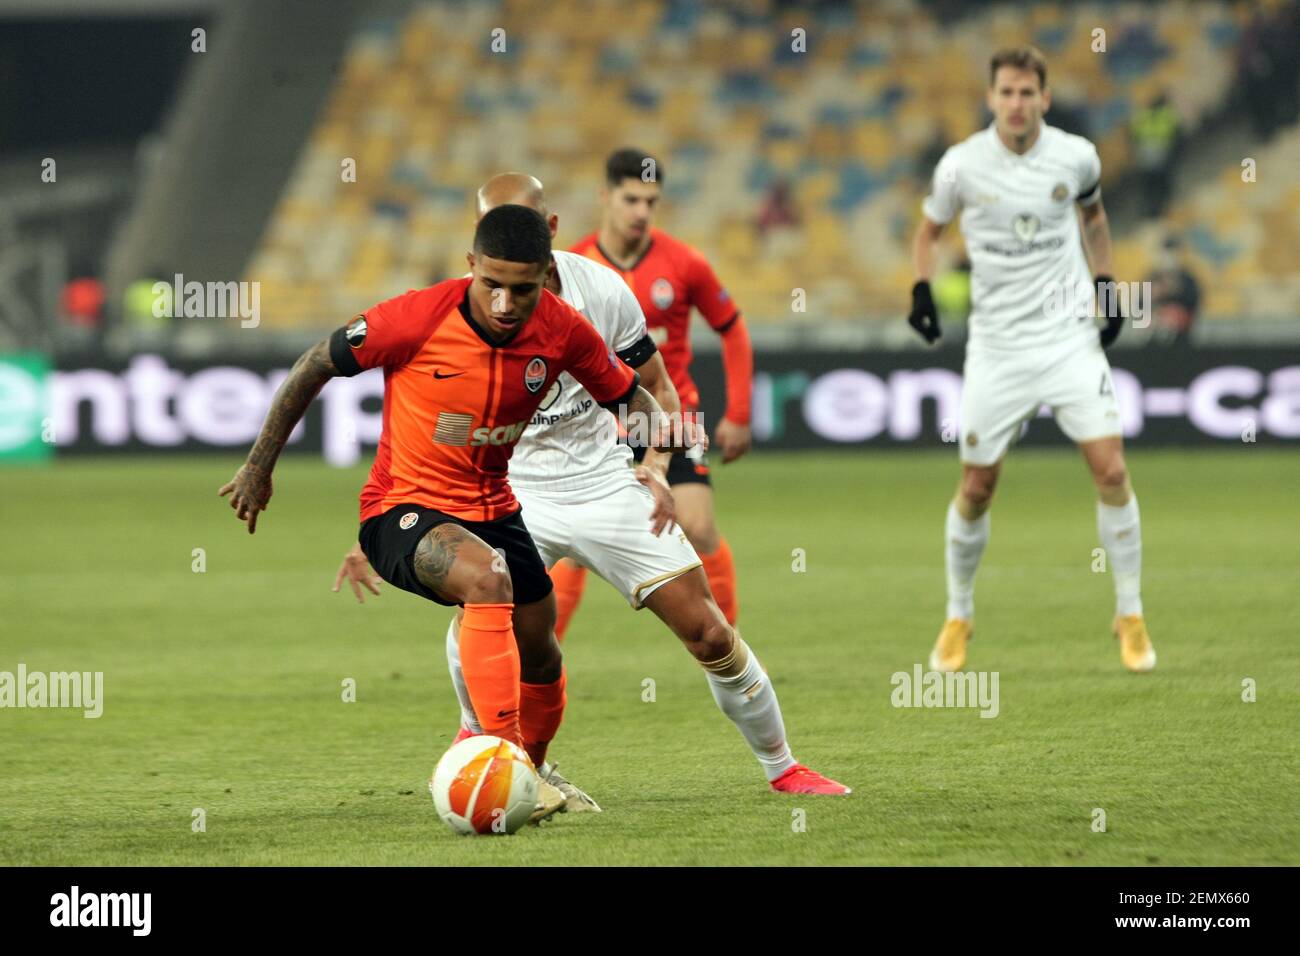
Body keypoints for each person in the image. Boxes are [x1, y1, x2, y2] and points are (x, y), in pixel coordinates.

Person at [336, 174, 849, 800]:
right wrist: (386, 530)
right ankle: (487, 748)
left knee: (710, 633)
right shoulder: (460, 306)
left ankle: (783, 767)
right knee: (488, 606)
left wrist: (657, 465)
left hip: (603, 480)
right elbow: (418, 435)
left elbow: (655, 390)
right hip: (511, 490)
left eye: (523, 226)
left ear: (549, 231)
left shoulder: (600, 294)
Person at [222, 204, 698, 821]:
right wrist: (260, 465)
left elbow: (629, 393)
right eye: (491, 284)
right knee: (487, 579)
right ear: (471, 264)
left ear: (546, 276)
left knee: (543, 652)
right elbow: (316, 363)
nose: (504, 304)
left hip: (496, 510)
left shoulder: (563, 329)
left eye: (521, 290)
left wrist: (656, 463)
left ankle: (534, 771)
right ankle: (501, 766)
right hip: (401, 510)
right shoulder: (415, 317)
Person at [908, 46, 1156, 674]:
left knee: (1111, 471)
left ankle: (1129, 612)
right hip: (997, 348)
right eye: (1006, 93)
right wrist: (920, 289)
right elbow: (928, 231)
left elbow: (1094, 218)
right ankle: (958, 614)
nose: (1016, 104)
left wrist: (1107, 285)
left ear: (1044, 98)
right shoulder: (961, 166)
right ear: (991, 98)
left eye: (1027, 93)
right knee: (977, 485)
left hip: (1068, 336)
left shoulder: (1075, 156)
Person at [550, 148, 753, 638]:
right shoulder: (571, 268)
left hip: (667, 414)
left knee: (700, 529)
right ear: (606, 197)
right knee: (570, 555)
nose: (641, 211)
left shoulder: (685, 263)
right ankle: (538, 667)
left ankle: (728, 647)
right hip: (599, 422)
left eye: (651, 201)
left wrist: (740, 411)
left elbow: (732, 328)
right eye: (631, 199)